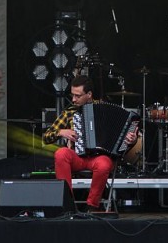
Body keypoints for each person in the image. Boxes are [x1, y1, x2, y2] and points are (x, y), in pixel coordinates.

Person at [43, 75, 137, 212]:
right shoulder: (70, 112)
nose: (73, 99)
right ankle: (66, 204)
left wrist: (131, 140)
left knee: (104, 164)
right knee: (61, 153)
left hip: (99, 158)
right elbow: (46, 137)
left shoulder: (104, 109)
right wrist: (60, 132)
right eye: (72, 95)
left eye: (78, 96)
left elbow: (123, 143)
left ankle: (92, 207)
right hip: (77, 157)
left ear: (89, 94)